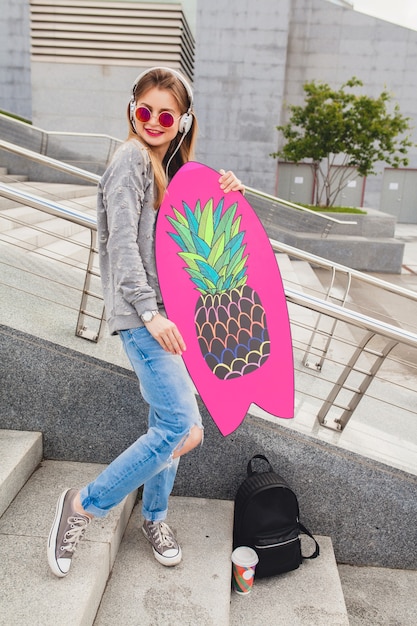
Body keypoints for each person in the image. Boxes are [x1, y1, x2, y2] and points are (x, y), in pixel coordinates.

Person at [47, 66, 245, 577]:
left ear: (182, 121)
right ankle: (82, 505)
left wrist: (230, 194)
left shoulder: (168, 170)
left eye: (166, 114)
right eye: (145, 111)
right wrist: (150, 312)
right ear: (131, 111)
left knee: (170, 425)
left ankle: (154, 516)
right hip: (144, 319)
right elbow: (120, 245)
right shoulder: (130, 160)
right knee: (183, 426)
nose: (154, 121)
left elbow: (192, 238)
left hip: (170, 320)